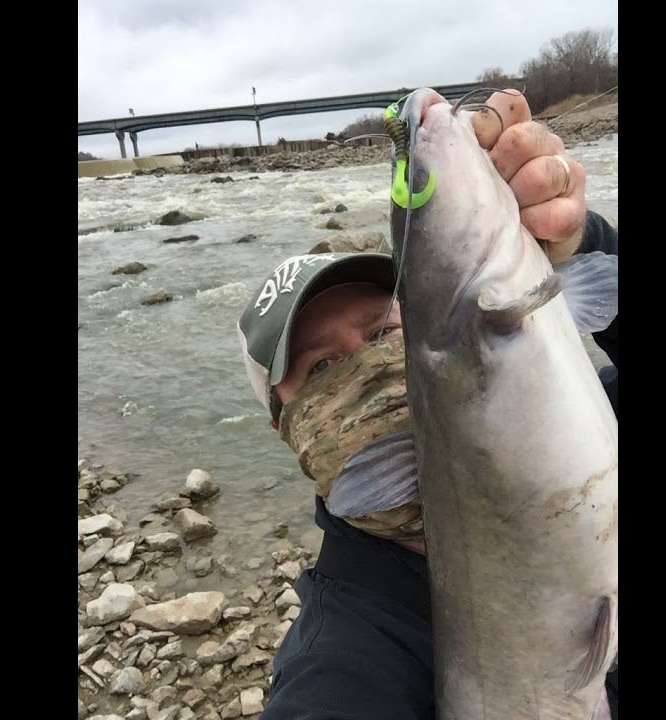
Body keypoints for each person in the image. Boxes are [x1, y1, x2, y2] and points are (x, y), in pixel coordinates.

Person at [235, 89, 618, 720]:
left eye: (385, 333)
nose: (367, 367)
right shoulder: (343, 653)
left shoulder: (584, 419)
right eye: (323, 367)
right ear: (287, 428)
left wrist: (576, 239)